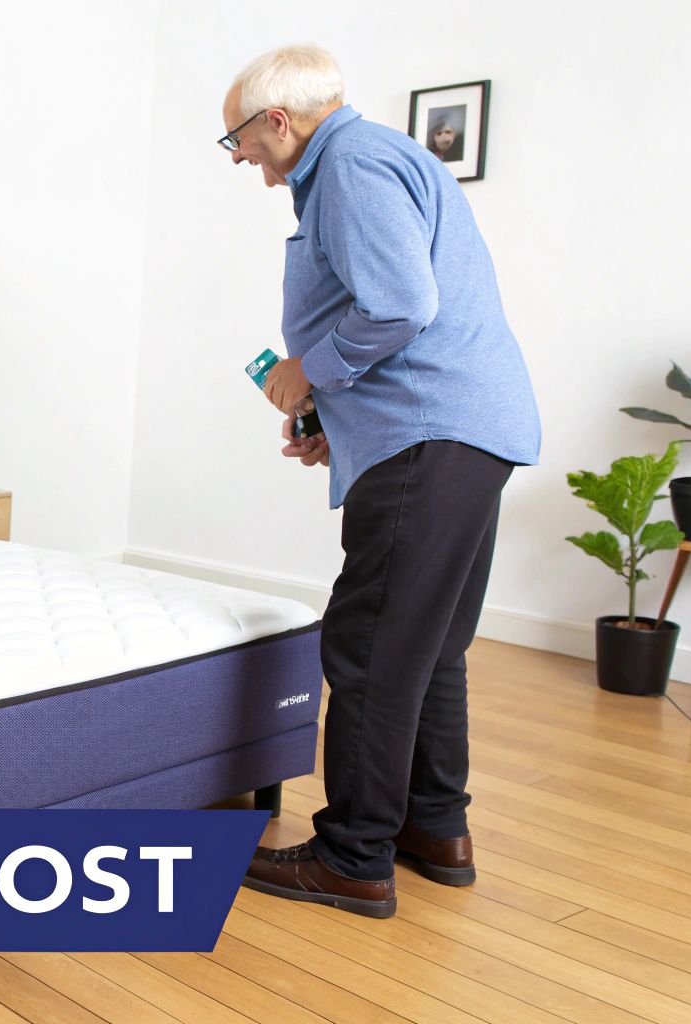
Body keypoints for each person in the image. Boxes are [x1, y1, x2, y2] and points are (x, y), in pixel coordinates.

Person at [216, 46, 541, 917]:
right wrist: (339, 426)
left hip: (431, 432)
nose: (241, 158)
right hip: (463, 432)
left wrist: (306, 373)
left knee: (367, 647)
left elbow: (401, 305)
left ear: (276, 122)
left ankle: (353, 856)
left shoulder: (352, 163)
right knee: (430, 645)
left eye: (237, 139)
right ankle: (434, 827)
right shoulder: (377, 159)